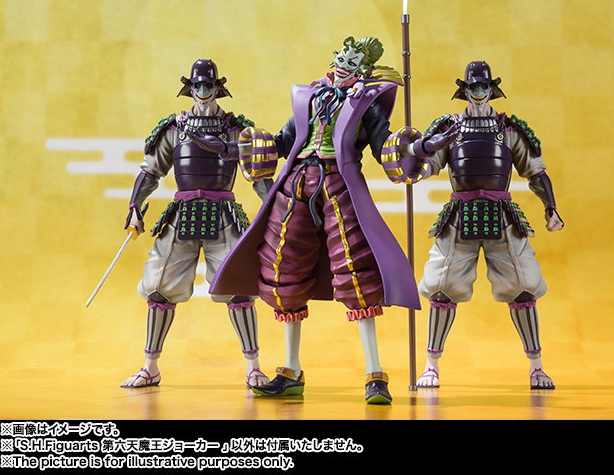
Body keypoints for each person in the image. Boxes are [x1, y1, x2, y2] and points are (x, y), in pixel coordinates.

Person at [208, 36, 421, 404]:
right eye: (342, 56)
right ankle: (290, 370)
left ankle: (375, 373)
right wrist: (236, 149)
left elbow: (384, 144)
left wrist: (415, 148)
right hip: (296, 182)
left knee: (356, 271)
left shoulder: (365, 104)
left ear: (363, 70)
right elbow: (285, 139)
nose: (343, 63)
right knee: (282, 267)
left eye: (353, 61)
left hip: (339, 183)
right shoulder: (310, 97)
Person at [409, 60, 563, 390]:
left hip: (502, 216)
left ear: (492, 90)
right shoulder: (449, 129)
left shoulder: (509, 130)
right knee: (441, 287)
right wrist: (415, 161)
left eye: (483, 87)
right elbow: (426, 165)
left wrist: (550, 208)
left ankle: (537, 367)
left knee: (523, 286)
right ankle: (431, 365)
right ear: (464, 91)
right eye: (473, 87)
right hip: (459, 216)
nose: (478, 92)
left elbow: (535, 171)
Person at [120, 59, 271, 389]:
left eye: (208, 85)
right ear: (190, 89)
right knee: (159, 287)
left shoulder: (236, 129)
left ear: (218, 88)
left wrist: (276, 208)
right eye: (198, 86)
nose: (203, 91)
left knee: (239, 287)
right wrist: (134, 207)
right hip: (182, 214)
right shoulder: (175, 128)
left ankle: (254, 367)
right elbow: (150, 171)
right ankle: (150, 367)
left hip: (223, 215)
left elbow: (257, 173)